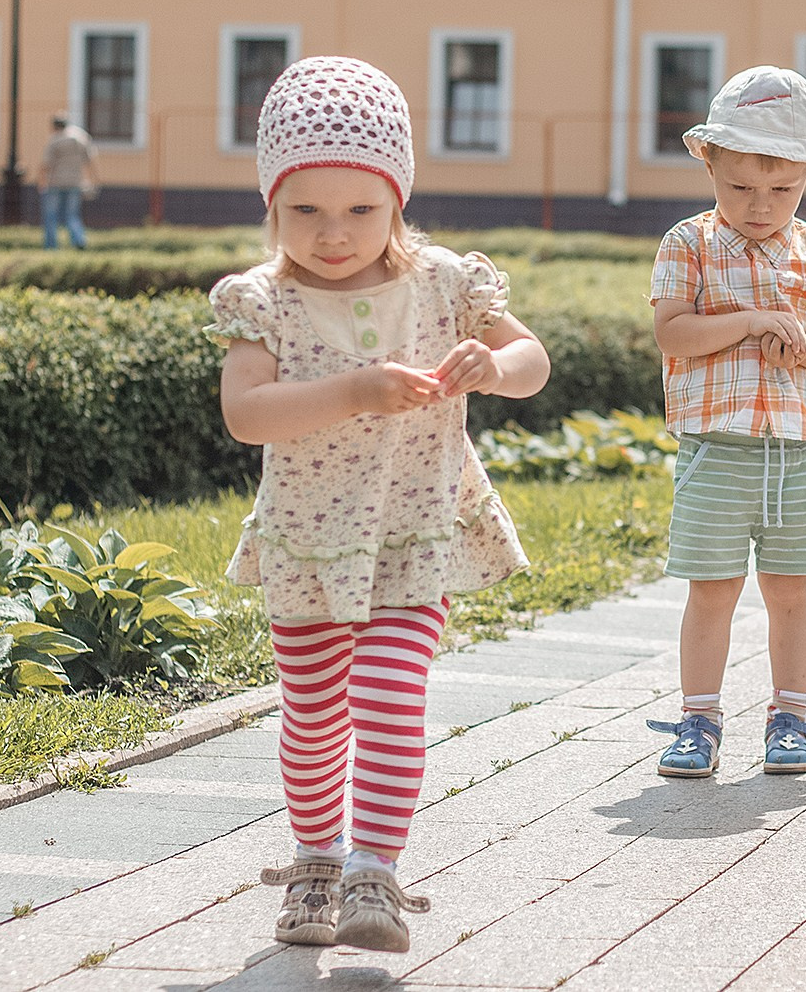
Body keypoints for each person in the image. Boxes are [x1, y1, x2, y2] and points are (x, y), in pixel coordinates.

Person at [206, 57, 550, 953]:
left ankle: (374, 874)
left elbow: (533, 360)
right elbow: (246, 413)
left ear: (397, 197)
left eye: (361, 208)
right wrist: (356, 388)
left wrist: (494, 365)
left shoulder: (443, 284)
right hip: (311, 541)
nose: (334, 232)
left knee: (391, 693)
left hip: (412, 529)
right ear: (271, 207)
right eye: (305, 210)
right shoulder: (266, 301)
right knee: (316, 711)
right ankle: (317, 857)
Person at [645, 65, 806, 780]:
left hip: (800, 452)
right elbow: (673, 334)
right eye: (739, 186)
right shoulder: (690, 243)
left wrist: (801, 347)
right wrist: (748, 322)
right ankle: (699, 719)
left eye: (783, 189)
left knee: (789, 588)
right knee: (711, 588)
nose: (760, 204)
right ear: (708, 161)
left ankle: (792, 717)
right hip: (717, 449)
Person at [37, 114, 99, 250]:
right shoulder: (81, 138)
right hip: (76, 182)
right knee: (72, 214)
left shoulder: (55, 140)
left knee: (51, 216)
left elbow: (46, 164)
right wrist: (93, 180)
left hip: (55, 183)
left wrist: (41, 182)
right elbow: (90, 160)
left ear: (54, 126)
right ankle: (79, 239)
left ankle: (51, 246)